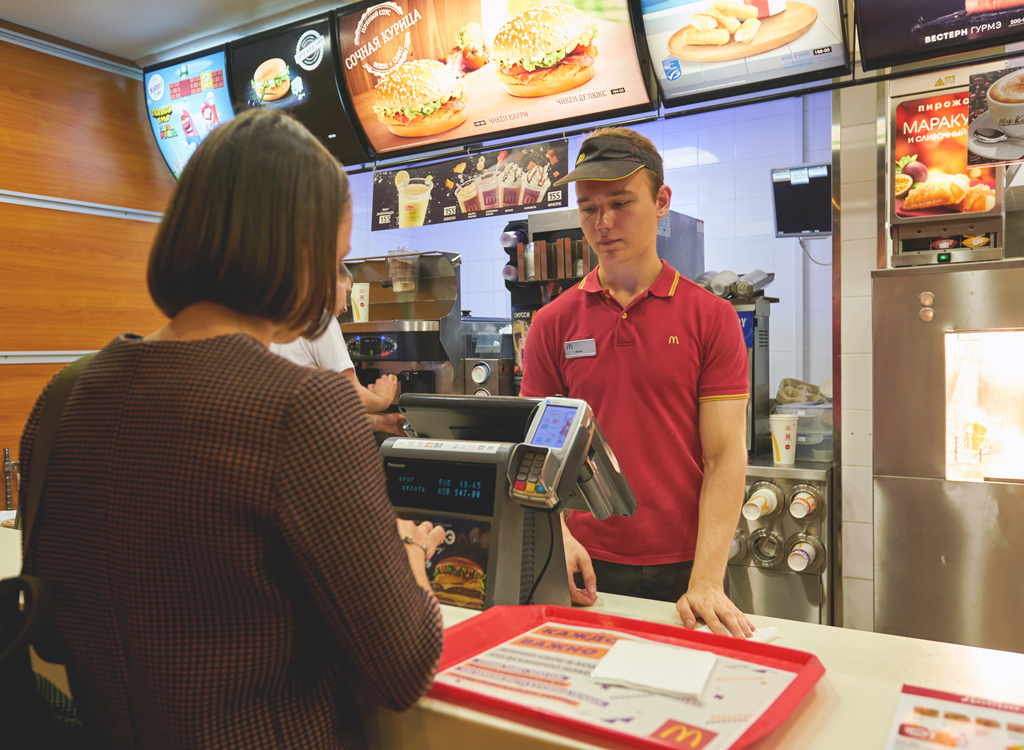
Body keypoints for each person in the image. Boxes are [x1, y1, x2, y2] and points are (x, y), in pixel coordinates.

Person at [19, 108, 445, 750]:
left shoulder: (68, 394)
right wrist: (408, 549)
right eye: (336, 260)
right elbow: (401, 668)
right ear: (298, 252)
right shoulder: (303, 406)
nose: (334, 289)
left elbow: (53, 629)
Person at [520, 128, 754, 638]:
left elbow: (725, 456)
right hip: (584, 565)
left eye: (621, 203)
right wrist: (557, 538)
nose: (602, 223)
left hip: (690, 569)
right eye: (588, 208)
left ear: (661, 201)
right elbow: (538, 453)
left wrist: (707, 580)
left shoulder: (711, 318)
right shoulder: (552, 324)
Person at [270, 262, 402, 425]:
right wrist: (384, 399)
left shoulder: (278, 318)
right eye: (347, 293)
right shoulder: (321, 318)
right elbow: (348, 396)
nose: (346, 308)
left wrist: (379, 422)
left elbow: (321, 406)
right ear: (334, 277)